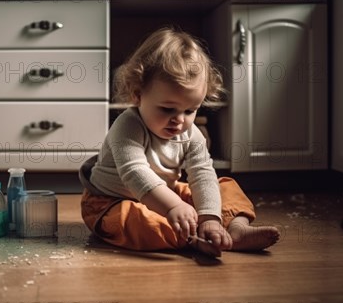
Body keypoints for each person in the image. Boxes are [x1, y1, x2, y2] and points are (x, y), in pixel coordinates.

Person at [79, 27, 280, 257]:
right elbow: (135, 173)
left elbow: (202, 173)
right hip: (111, 201)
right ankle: (193, 238)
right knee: (133, 219)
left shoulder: (192, 134)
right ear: (137, 94)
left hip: (167, 194)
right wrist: (175, 207)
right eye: (167, 109)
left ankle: (232, 230)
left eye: (190, 110)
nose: (179, 120)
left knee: (224, 186)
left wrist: (209, 217)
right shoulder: (127, 126)